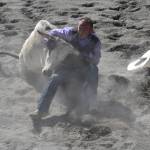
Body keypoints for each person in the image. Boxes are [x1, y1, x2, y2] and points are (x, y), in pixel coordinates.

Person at [30, 17, 101, 118]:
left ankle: (92, 104)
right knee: (54, 79)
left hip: (83, 68)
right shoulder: (69, 32)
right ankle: (41, 110)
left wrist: (83, 55)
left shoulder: (95, 41)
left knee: (94, 70)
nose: (81, 30)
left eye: (85, 28)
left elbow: (96, 60)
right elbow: (52, 33)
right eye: (80, 26)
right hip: (66, 67)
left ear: (91, 30)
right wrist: (49, 42)